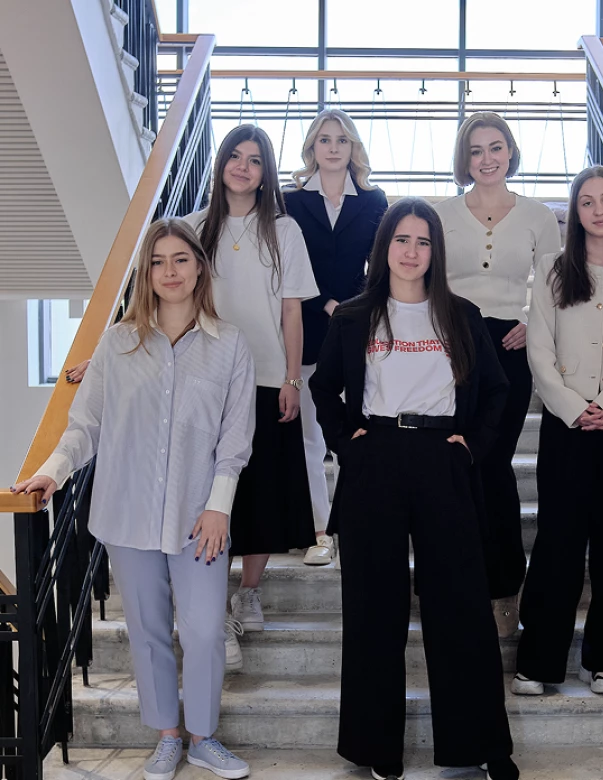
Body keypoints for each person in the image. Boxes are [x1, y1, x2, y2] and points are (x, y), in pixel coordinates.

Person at [11, 219, 255, 780]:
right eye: (157, 262)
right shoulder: (117, 345)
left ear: (199, 268)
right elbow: (86, 425)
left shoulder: (230, 345)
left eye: (180, 260)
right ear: (146, 274)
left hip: (200, 516)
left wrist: (219, 505)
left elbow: (235, 439)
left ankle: (203, 738)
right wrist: (52, 472)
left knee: (203, 630)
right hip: (128, 511)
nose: (170, 271)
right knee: (147, 630)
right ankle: (167, 736)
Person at [310, 197, 519, 780]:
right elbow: (324, 388)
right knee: (374, 608)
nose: (411, 251)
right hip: (374, 457)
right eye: (402, 239)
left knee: (461, 606)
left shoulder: (461, 315)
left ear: (435, 251)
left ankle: (481, 745)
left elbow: (498, 391)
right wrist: (347, 443)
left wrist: (471, 446)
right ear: (385, 248)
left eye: (423, 242)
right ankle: (377, 747)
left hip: (441, 457)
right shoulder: (354, 316)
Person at [511, 166, 603, 698]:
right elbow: (539, 350)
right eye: (587, 202)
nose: (599, 210)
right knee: (559, 541)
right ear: (575, 213)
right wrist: (575, 408)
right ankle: (538, 661)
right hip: (566, 425)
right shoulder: (553, 270)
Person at [183, 124, 319, 670]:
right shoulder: (193, 227)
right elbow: (165, 298)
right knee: (210, 494)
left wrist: (292, 378)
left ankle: (249, 592)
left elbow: (292, 311)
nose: (243, 166)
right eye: (235, 156)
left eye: (255, 159)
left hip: (266, 376)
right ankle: (212, 608)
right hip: (204, 377)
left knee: (262, 489)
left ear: (266, 174)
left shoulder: (284, 230)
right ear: (220, 165)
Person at [434, 111, 561, 637]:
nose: (486, 159)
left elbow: (555, 285)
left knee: (493, 463)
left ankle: (505, 589)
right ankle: (454, 585)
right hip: (452, 346)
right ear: (464, 159)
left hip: (509, 347)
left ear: (510, 152)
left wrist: (533, 323)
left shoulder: (538, 216)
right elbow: (425, 280)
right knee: (454, 464)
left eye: (495, 147)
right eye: (476, 150)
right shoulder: (440, 214)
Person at [283, 108, 388, 566]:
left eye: (341, 140)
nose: (332, 147)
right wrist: (326, 301)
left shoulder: (373, 199)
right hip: (304, 326)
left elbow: (381, 264)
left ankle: (356, 522)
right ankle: (320, 531)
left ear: (353, 148)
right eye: (324, 139)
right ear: (312, 147)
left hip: (358, 327)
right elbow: (286, 266)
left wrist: (353, 305)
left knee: (356, 431)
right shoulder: (290, 201)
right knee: (310, 436)